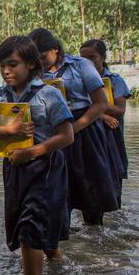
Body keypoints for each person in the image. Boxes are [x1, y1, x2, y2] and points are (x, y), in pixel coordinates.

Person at [0, 36, 74, 275]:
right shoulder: (2, 95)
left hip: (44, 170)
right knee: (24, 223)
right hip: (13, 169)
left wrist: (32, 152)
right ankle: (57, 260)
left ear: (32, 65)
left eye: (13, 64)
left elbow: (67, 135)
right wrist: (9, 130)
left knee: (30, 229)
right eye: (2, 66)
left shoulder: (49, 94)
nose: (6, 71)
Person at [29, 28, 121, 225]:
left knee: (90, 188)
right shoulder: (33, 72)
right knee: (56, 188)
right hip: (51, 132)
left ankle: (95, 236)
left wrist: (75, 128)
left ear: (55, 50)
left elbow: (101, 103)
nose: (40, 62)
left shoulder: (81, 65)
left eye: (43, 56)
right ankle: (61, 237)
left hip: (84, 130)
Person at [80, 39, 130, 207]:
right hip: (90, 139)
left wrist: (96, 106)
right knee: (91, 184)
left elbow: (120, 110)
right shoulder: (78, 82)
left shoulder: (114, 80)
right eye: (83, 58)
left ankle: (114, 227)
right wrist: (102, 115)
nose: (87, 62)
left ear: (103, 57)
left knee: (114, 182)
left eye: (92, 57)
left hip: (112, 139)